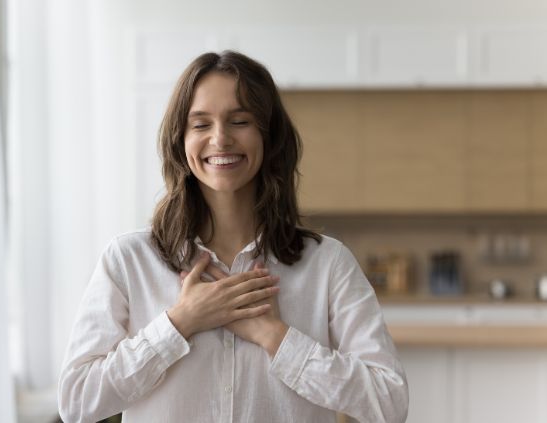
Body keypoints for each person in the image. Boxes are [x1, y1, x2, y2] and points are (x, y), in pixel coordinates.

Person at [58, 50, 408, 423]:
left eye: (240, 120)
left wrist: (276, 337)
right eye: (201, 124)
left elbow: (389, 403)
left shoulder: (328, 263)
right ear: (180, 141)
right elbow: (78, 401)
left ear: (269, 137)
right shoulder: (127, 260)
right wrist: (180, 323)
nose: (220, 138)